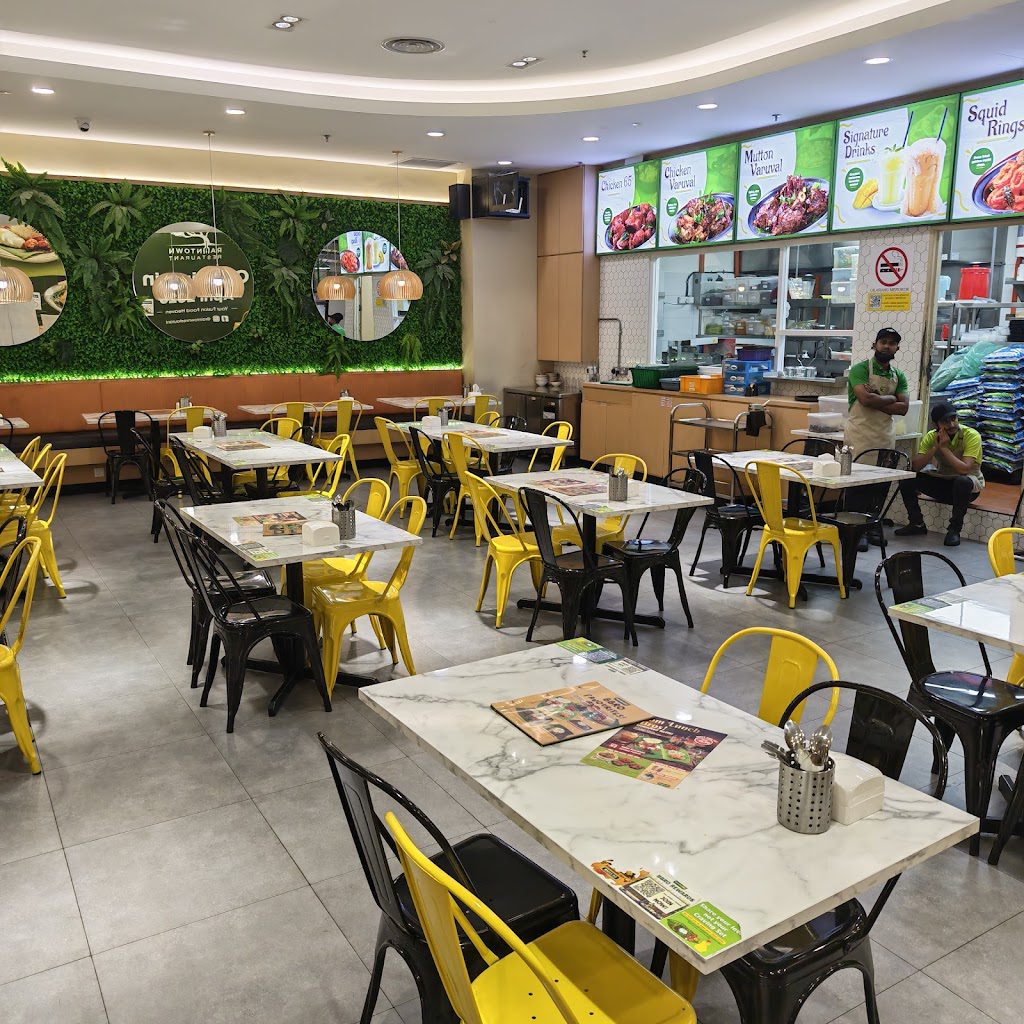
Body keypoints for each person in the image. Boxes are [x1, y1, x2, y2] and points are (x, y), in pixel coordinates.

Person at [896, 402, 984, 547]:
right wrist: (935, 447)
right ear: (936, 425)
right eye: (945, 421)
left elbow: (964, 469)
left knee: (962, 481)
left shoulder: (971, 435)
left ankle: (954, 530)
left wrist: (944, 448)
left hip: (968, 487)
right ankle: (917, 523)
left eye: (953, 419)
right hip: (944, 482)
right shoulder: (931, 436)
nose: (951, 424)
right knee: (907, 479)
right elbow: (916, 466)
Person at [844, 327, 910, 457]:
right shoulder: (860, 370)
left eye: (892, 343)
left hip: (885, 438)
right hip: (859, 438)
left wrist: (876, 398)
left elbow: (903, 408)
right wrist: (892, 398)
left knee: (884, 470)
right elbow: (866, 400)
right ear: (875, 345)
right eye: (883, 342)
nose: (887, 346)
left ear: (897, 348)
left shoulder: (898, 375)